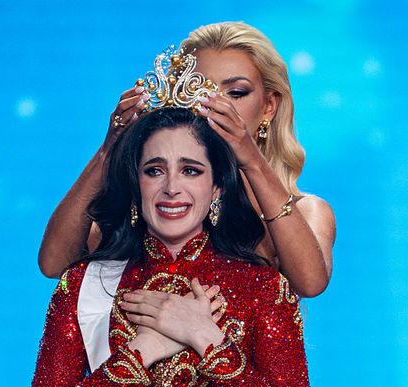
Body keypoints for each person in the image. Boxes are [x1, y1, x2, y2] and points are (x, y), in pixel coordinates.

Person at [25, 106, 312, 387]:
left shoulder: (262, 289)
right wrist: (140, 355)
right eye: (155, 170)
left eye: (191, 170)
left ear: (217, 188)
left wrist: (207, 340)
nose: (172, 188)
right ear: (135, 183)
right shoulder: (88, 285)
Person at [37, 22, 335, 298]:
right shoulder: (159, 203)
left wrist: (251, 160)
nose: (216, 107)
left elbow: (310, 282)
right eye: (200, 91)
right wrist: (109, 149)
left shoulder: (308, 212)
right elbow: (54, 264)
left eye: (236, 93)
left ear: (269, 106)